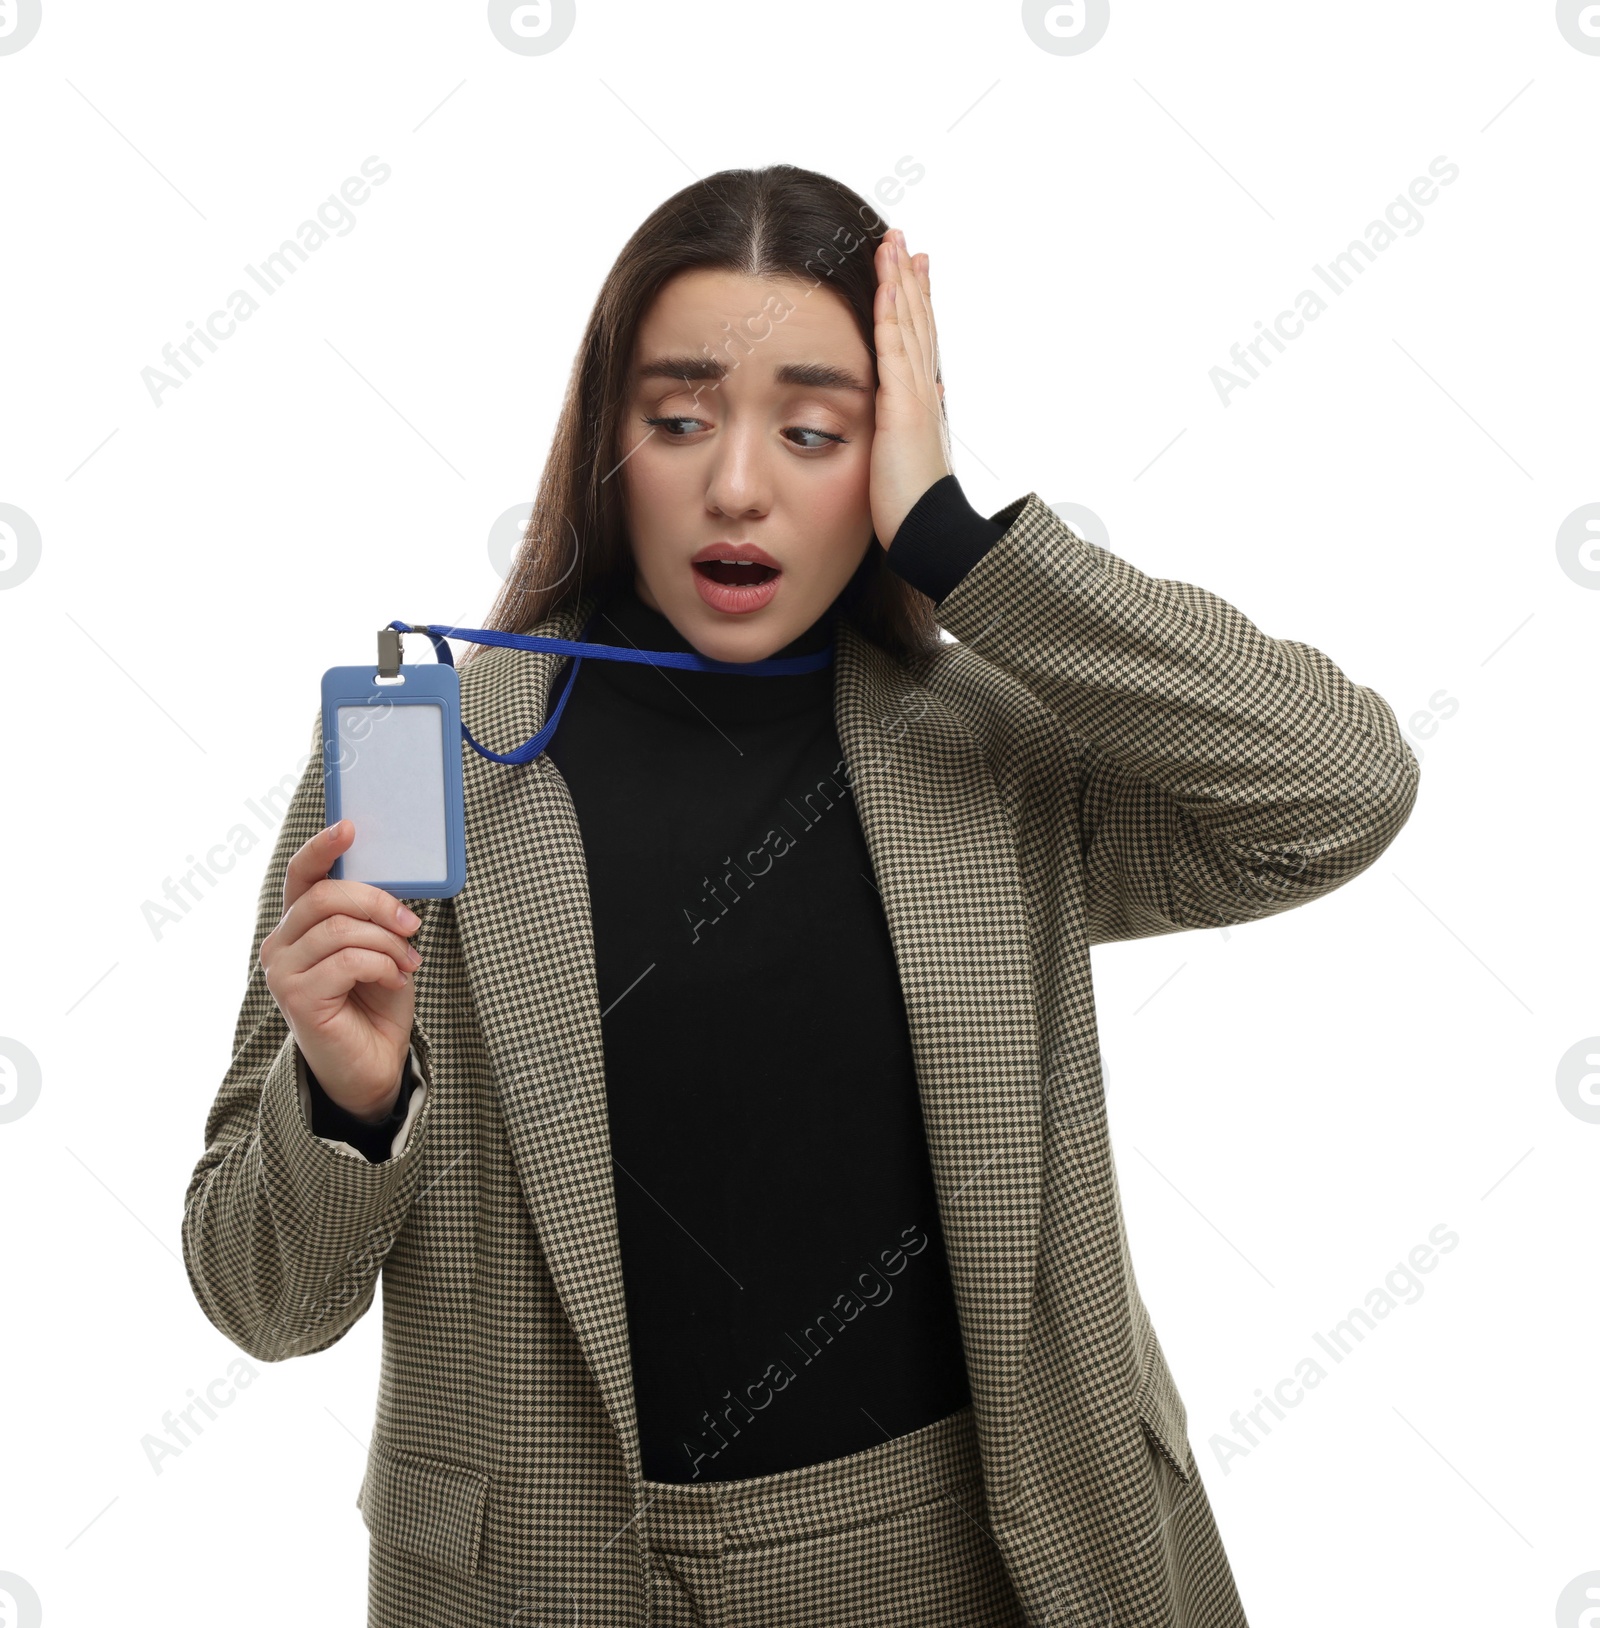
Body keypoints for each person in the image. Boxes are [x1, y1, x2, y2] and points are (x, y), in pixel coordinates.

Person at [182, 164, 1420, 1627]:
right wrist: (348, 1102)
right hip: (546, 1579)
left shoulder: (995, 756)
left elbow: (1337, 791)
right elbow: (264, 1303)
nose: (739, 485)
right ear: (606, 448)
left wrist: (962, 543)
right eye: (680, 418)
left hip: (967, 1557)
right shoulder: (421, 766)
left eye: (817, 429)